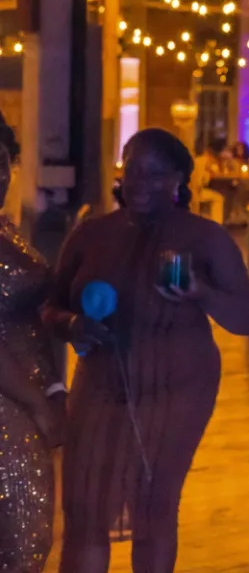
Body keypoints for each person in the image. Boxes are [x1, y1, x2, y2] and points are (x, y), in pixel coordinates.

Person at [40, 128, 249, 573]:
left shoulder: (205, 238)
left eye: (155, 173)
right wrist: (72, 324)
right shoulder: (91, 234)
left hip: (177, 387)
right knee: (83, 503)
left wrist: (201, 292)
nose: (140, 180)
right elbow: (50, 307)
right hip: (100, 381)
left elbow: (246, 319)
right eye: (133, 167)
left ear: (178, 178)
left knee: (153, 505)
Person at [0, 120, 62, 571]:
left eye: (3, 161)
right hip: (10, 402)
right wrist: (38, 405)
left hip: (31, 390)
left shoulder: (8, 227)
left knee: (30, 537)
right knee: (22, 538)